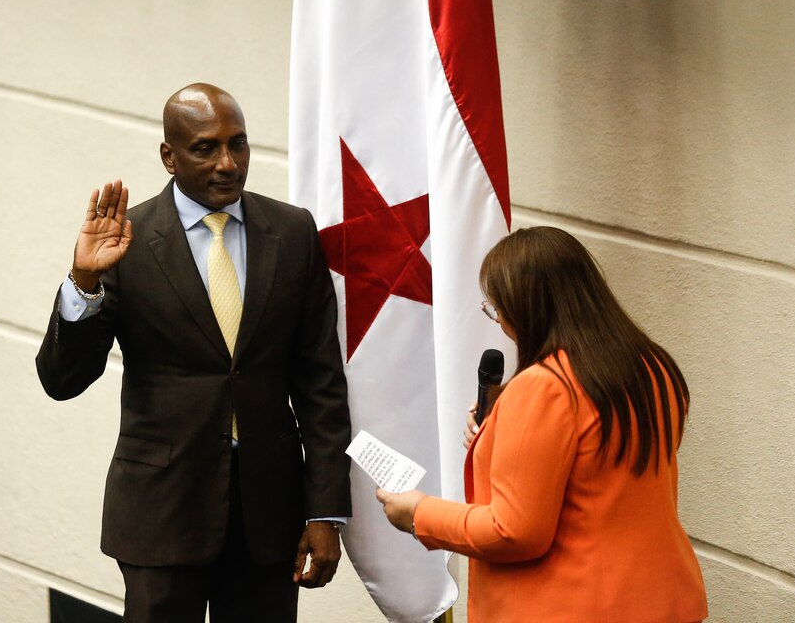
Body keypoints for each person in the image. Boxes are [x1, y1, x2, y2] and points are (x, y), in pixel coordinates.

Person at [36, 83, 352, 622]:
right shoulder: (126, 242)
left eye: (239, 144)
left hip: (269, 518)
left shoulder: (293, 232)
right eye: (205, 148)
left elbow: (321, 384)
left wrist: (326, 512)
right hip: (161, 512)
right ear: (169, 156)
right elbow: (62, 379)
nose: (227, 163)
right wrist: (84, 279)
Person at [377, 227, 708, 622]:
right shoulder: (652, 366)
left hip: (572, 606)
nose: (500, 323)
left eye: (498, 311)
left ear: (528, 310)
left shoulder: (543, 388)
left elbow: (513, 531)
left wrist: (420, 515)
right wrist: (499, 429)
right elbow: (602, 471)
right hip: (661, 600)